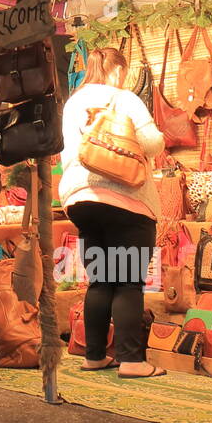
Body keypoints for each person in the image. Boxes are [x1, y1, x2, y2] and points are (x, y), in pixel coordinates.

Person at [59, 46, 166, 379]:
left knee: (100, 281)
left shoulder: (73, 103)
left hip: (81, 200)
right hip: (125, 199)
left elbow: (68, 152)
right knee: (128, 283)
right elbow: (151, 143)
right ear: (118, 71)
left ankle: (94, 356)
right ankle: (132, 361)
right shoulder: (124, 98)